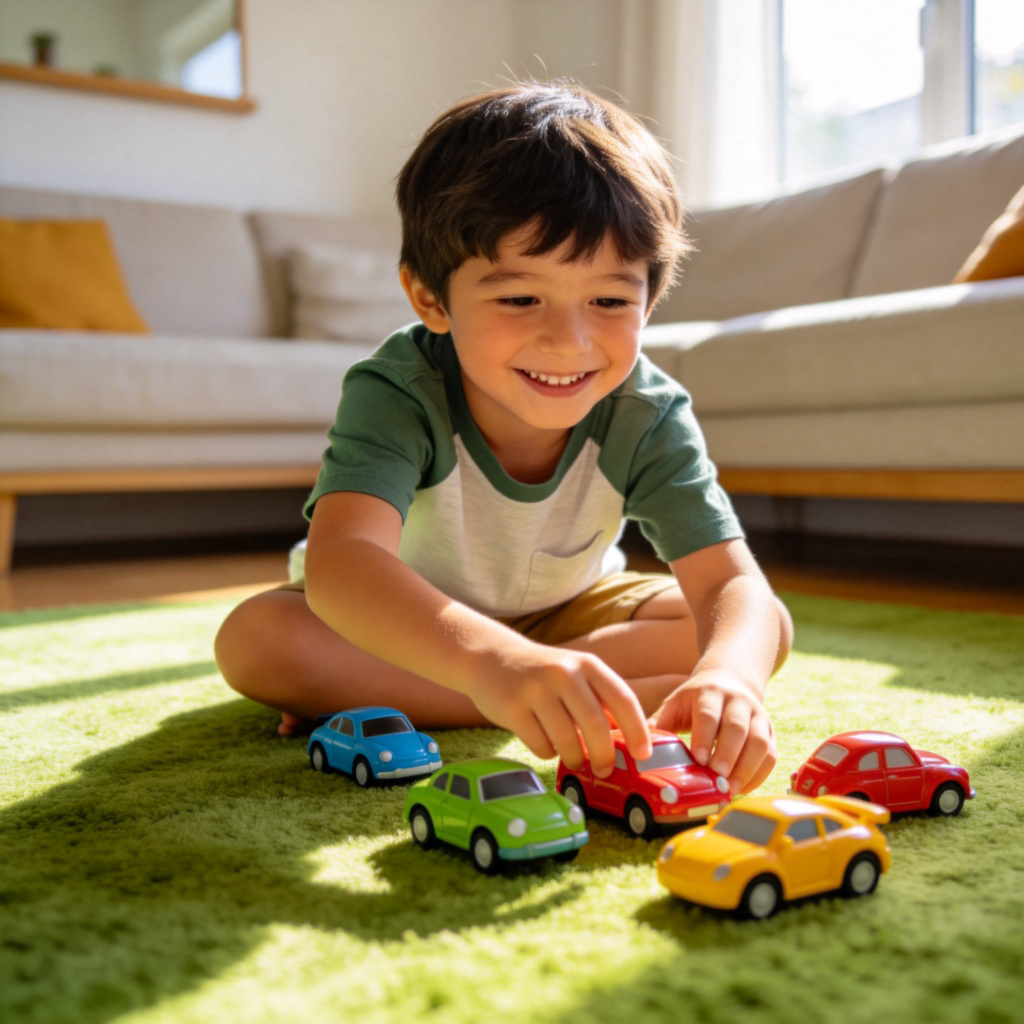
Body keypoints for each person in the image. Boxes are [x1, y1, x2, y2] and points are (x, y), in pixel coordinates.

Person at [215, 79, 792, 794]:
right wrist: (494, 668)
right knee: (256, 641)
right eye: (521, 298)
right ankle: (527, 693)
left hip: (568, 609)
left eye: (609, 301)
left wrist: (728, 678)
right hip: (411, 624)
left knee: (763, 626)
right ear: (431, 298)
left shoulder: (647, 410)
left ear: (651, 297)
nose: (568, 341)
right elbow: (343, 561)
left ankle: (538, 685)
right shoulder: (399, 389)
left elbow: (729, 580)